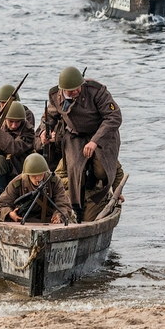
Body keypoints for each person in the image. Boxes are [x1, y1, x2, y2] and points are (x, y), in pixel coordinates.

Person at [41, 67, 122, 222]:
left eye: (78, 88)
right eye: (70, 91)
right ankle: (76, 207)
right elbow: (50, 116)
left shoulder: (97, 91)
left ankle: (100, 186)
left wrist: (94, 141)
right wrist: (44, 131)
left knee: (101, 171)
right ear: (63, 90)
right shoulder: (55, 96)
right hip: (75, 136)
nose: (75, 92)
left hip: (101, 134)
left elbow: (114, 116)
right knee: (75, 169)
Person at [0, 153, 74, 224]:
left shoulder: (54, 180)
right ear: (28, 174)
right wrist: (10, 213)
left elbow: (64, 203)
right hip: (25, 222)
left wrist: (59, 215)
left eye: (41, 174)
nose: (38, 178)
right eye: (34, 175)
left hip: (50, 222)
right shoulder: (17, 183)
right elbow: (0, 205)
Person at [0, 100, 36, 202]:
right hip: (1, 169)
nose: (14, 125)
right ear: (5, 119)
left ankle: (7, 197)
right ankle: (2, 194)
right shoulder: (1, 126)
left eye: (17, 122)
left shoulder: (28, 131)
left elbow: (14, 147)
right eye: (11, 121)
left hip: (20, 168)